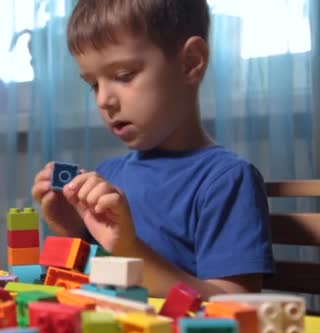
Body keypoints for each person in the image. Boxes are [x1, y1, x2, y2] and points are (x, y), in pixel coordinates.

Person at [31, 0, 274, 300]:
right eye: (93, 84)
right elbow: (95, 283)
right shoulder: (109, 176)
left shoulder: (226, 180)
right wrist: (73, 231)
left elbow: (236, 303)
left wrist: (130, 250)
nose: (104, 99)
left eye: (123, 75)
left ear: (190, 63)